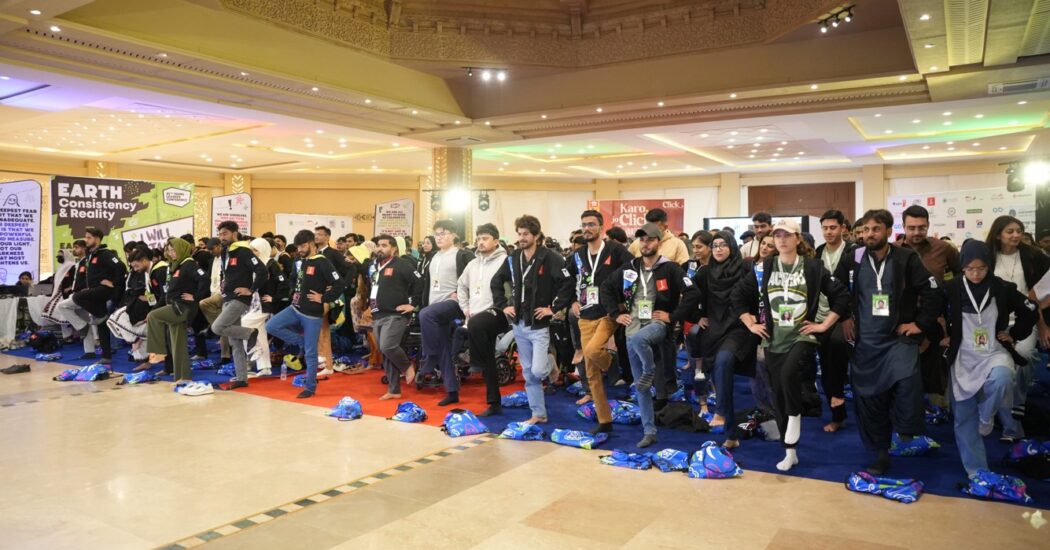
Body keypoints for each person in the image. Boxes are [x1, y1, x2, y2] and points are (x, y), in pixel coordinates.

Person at [734, 219, 849, 471]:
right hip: (773, 337)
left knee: (788, 377)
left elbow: (841, 296)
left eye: (787, 235)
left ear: (798, 238)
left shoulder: (813, 267)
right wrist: (750, 323)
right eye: (778, 235)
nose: (782, 240)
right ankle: (790, 452)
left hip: (802, 335)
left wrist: (823, 325)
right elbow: (738, 295)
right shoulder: (766, 266)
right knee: (778, 395)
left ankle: (795, 415)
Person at [837, 209, 942, 475]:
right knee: (871, 400)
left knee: (907, 382)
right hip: (866, 342)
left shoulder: (906, 258)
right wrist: (845, 316)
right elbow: (836, 289)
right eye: (866, 230)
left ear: (888, 230)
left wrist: (919, 324)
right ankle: (881, 453)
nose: (870, 234)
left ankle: (907, 431)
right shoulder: (854, 257)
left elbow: (933, 293)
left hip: (897, 339)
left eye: (876, 229)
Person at [602, 223, 699, 447]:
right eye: (642, 240)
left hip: (657, 324)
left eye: (650, 240)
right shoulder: (630, 267)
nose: (645, 244)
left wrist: (673, 316)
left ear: (659, 242)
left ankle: (650, 369)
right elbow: (606, 287)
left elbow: (693, 293)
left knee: (640, 342)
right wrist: (616, 314)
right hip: (632, 326)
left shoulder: (670, 268)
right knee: (641, 386)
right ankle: (649, 431)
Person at [942, 240, 1035, 474]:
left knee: (1003, 379)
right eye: (970, 269)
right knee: (964, 418)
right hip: (963, 355)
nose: (976, 274)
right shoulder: (951, 288)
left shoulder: (1001, 287)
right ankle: (977, 472)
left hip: (993, 351)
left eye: (981, 268)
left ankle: (987, 416)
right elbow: (933, 312)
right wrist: (941, 335)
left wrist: (1014, 334)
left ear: (989, 266)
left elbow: (1030, 309)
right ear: (962, 267)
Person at [491, 215, 571, 424]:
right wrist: (503, 305)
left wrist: (553, 308)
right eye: (519, 234)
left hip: (539, 325)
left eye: (526, 234)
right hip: (519, 324)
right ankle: (538, 414)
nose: (521, 238)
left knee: (537, 370)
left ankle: (551, 363)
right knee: (528, 374)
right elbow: (496, 282)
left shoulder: (551, 257)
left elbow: (567, 283)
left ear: (536, 235)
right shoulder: (514, 258)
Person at [562, 210, 634, 432]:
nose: (587, 228)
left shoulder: (615, 250)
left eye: (591, 224)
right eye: (584, 224)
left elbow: (632, 273)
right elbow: (566, 280)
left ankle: (612, 364)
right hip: (585, 314)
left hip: (608, 313)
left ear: (601, 227)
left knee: (592, 351)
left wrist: (624, 302)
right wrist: (572, 301)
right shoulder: (577, 255)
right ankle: (605, 421)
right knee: (592, 373)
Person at [265, 230, 347, 398]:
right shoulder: (302, 261)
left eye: (302, 246)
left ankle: (310, 387)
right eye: (298, 247)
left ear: (311, 244)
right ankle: (301, 342)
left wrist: (324, 298)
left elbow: (339, 284)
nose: (300, 250)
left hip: (312, 314)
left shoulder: (322, 262)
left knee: (311, 353)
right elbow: (296, 281)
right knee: (271, 326)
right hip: (295, 308)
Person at [696, 231, 755, 447]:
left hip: (740, 327)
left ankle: (720, 411)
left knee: (723, 361)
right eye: (715, 245)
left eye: (723, 245)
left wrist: (756, 318)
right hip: (715, 330)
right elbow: (692, 297)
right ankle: (731, 436)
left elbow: (758, 295)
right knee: (721, 374)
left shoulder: (745, 269)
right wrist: (697, 316)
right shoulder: (705, 273)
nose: (718, 249)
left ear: (732, 246)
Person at [985, 215, 1050, 415]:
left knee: (1024, 354)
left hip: (1026, 318)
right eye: (1010, 231)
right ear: (998, 235)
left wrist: (1042, 324)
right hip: (993, 320)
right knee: (994, 360)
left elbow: (1043, 289)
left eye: (1019, 231)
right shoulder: (987, 256)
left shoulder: (1034, 256)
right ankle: (993, 400)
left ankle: (1017, 400)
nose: (1016, 235)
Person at [418, 220, 475, 406]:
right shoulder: (433, 256)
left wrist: (461, 293)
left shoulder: (462, 254)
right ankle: (452, 391)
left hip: (453, 304)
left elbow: (474, 278)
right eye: (437, 234)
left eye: (443, 233)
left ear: (454, 235)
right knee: (443, 348)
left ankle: (430, 356)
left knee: (425, 315)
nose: (439, 237)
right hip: (434, 306)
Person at [457, 224, 509, 416]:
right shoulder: (472, 264)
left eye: (485, 238)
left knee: (477, 325)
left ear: (496, 241)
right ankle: (494, 403)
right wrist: (465, 308)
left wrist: (508, 306)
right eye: (478, 238)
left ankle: (475, 361)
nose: (480, 242)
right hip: (476, 316)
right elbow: (461, 286)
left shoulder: (505, 261)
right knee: (488, 358)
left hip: (498, 312)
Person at [55, 226, 126, 364]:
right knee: (101, 325)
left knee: (77, 297)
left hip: (104, 290)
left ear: (97, 239)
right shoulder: (90, 255)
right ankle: (106, 357)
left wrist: (113, 283)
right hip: (95, 291)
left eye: (89, 237)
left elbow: (121, 267)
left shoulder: (105, 253)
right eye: (86, 237)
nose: (86, 240)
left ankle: (87, 324)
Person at [814, 209, 858, 432]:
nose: (829, 232)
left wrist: (847, 316)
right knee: (827, 367)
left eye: (833, 227)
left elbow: (858, 285)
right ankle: (837, 414)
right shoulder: (817, 252)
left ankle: (842, 405)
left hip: (846, 316)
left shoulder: (855, 251)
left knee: (838, 358)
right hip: (821, 316)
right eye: (825, 228)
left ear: (843, 228)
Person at [211, 221, 267, 390]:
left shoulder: (243, 251)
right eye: (220, 234)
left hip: (239, 299)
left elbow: (262, 271)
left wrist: (251, 289)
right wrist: (223, 284)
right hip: (227, 297)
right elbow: (226, 272)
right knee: (234, 342)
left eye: (225, 233)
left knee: (217, 327)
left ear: (235, 233)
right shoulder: (226, 251)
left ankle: (250, 333)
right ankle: (242, 378)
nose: (222, 237)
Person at [146, 238, 209, 383]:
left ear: (181, 249)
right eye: (169, 250)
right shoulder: (175, 265)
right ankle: (183, 376)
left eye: (173, 250)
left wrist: (195, 297)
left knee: (153, 316)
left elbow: (205, 279)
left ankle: (158, 353)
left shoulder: (189, 264)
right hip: (175, 306)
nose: (171, 253)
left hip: (182, 308)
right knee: (178, 344)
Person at [368, 235, 423, 400]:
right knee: (385, 352)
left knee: (388, 346)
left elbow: (420, 282)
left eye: (384, 245)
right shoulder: (375, 266)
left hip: (395, 314)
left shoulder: (401, 264)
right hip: (378, 314)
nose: (380, 248)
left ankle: (407, 367)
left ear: (393, 249)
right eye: (378, 245)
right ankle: (394, 390)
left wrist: (412, 304)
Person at [107, 249, 165, 369]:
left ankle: (136, 339)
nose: (135, 269)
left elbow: (164, 295)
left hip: (164, 308)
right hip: (152, 305)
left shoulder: (160, 270)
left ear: (144, 261)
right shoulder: (148, 272)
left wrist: (152, 310)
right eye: (133, 267)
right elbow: (155, 295)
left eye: (136, 266)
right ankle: (140, 350)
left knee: (118, 317)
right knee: (120, 319)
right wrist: (148, 299)